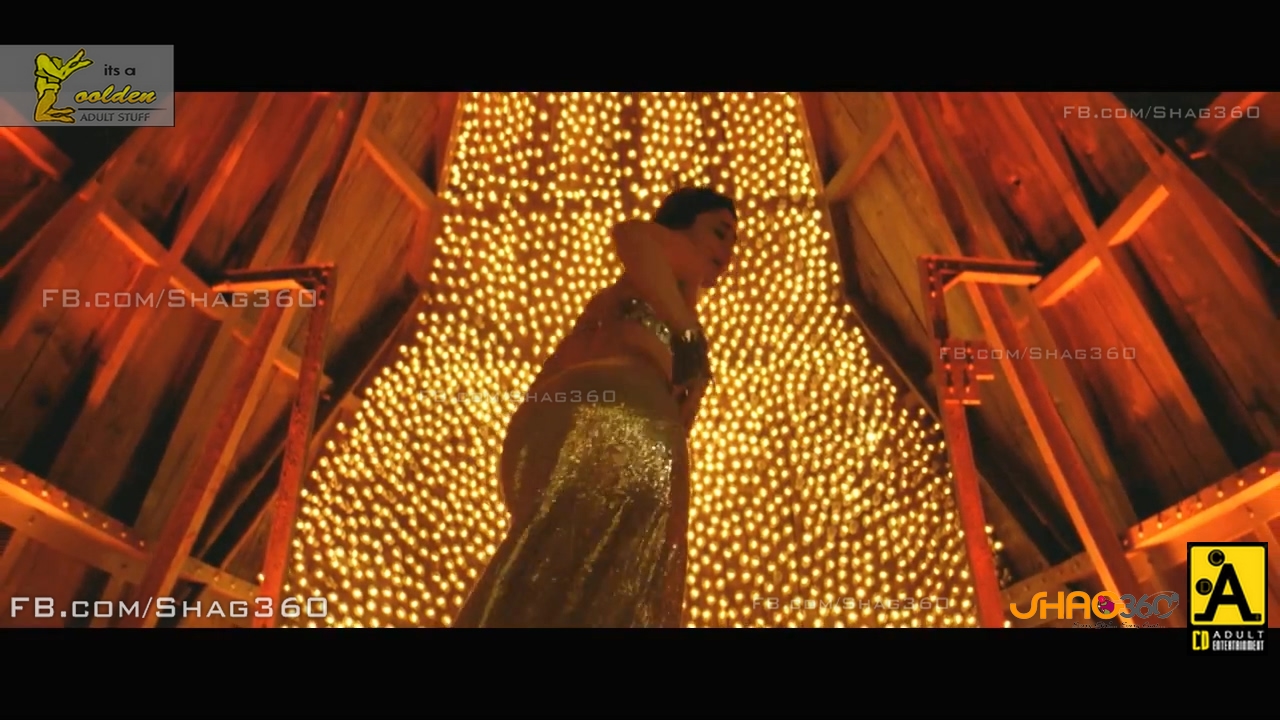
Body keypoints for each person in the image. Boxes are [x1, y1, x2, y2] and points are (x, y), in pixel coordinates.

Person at [453, 187, 738, 628]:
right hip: (620, 413)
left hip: (567, 419)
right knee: (630, 578)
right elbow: (632, 236)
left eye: (733, 243)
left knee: (551, 566)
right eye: (720, 232)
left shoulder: (636, 297)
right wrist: (687, 335)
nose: (727, 252)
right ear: (683, 224)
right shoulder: (679, 265)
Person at [34, 50, 93, 123]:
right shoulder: (42, 58)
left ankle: (51, 110)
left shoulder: (48, 60)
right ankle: (48, 114)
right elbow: (38, 118)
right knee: (49, 99)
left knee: (50, 99)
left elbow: (62, 73)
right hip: (46, 86)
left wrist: (76, 63)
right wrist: (60, 118)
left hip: (50, 85)